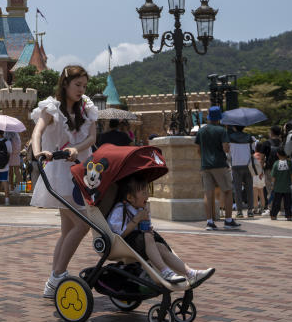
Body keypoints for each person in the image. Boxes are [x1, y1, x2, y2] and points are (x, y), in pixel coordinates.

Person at [30, 65, 99, 297]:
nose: (81, 90)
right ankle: (57, 275)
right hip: (61, 173)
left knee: (68, 228)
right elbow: (37, 132)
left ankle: (53, 281)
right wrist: (39, 153)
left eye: (84, 86)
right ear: (65, 84)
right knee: (82, 223)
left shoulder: (87, 108)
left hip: (83, 172)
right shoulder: (52, 108)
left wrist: (75, 149)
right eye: (77, 85)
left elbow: (91, 138)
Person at [108, 173, 215, 287]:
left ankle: (190, 273)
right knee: (148, 236)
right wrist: (137, 219)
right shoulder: (120, 210)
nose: (147, 195)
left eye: (147, 191)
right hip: (123, 244)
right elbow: (119, 234)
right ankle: (165, 272)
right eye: (144, 193)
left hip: (139, 242)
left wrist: (146, 224)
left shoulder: (140, 208)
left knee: (161, 247)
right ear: (130, 197)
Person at [194, 106, 239, 230]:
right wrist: (227, 148)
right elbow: (225, 148)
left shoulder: (201, 131)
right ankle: (229, 220)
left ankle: (209, 222)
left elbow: (198, 150)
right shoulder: (221, 130)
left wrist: (205, 159)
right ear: (219, 118)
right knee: (228, 191)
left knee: (208, 194)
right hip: (219, 164)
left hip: (205, 165)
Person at [229, 125, 255, 218]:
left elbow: (228, 152)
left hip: (236, 166)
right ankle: (250, 210)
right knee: (249, 189)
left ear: (235, 128)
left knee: (237, 189)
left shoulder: (230, 137)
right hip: (247, 165)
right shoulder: (250, 137)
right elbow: (253, 150)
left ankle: (239, 211)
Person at [270, 150, 292, 220]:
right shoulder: (289, 163)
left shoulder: (276, 163)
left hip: (278, 187)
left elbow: (273, 176)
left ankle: (273, 215)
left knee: (276, 202)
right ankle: (289, 216)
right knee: (288, 203)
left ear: (278, 154)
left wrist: (272, 185)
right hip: (287, 187)